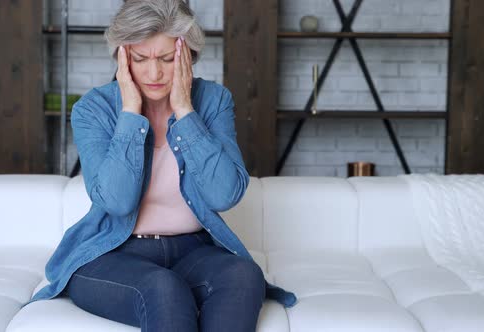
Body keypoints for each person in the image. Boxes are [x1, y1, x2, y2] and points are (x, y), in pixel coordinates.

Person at [24, 1, 297, 331]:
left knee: (243, 275)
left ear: (189, 57)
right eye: (140, 59)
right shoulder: (93, 109)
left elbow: (225, 194)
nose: (154, 74)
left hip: (193, 249)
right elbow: (116, 201)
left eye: (168, 59)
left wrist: (185, 112)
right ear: (122, 57)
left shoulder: (213, 100)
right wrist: (130, 113)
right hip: (111, 252)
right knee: (163, 289)